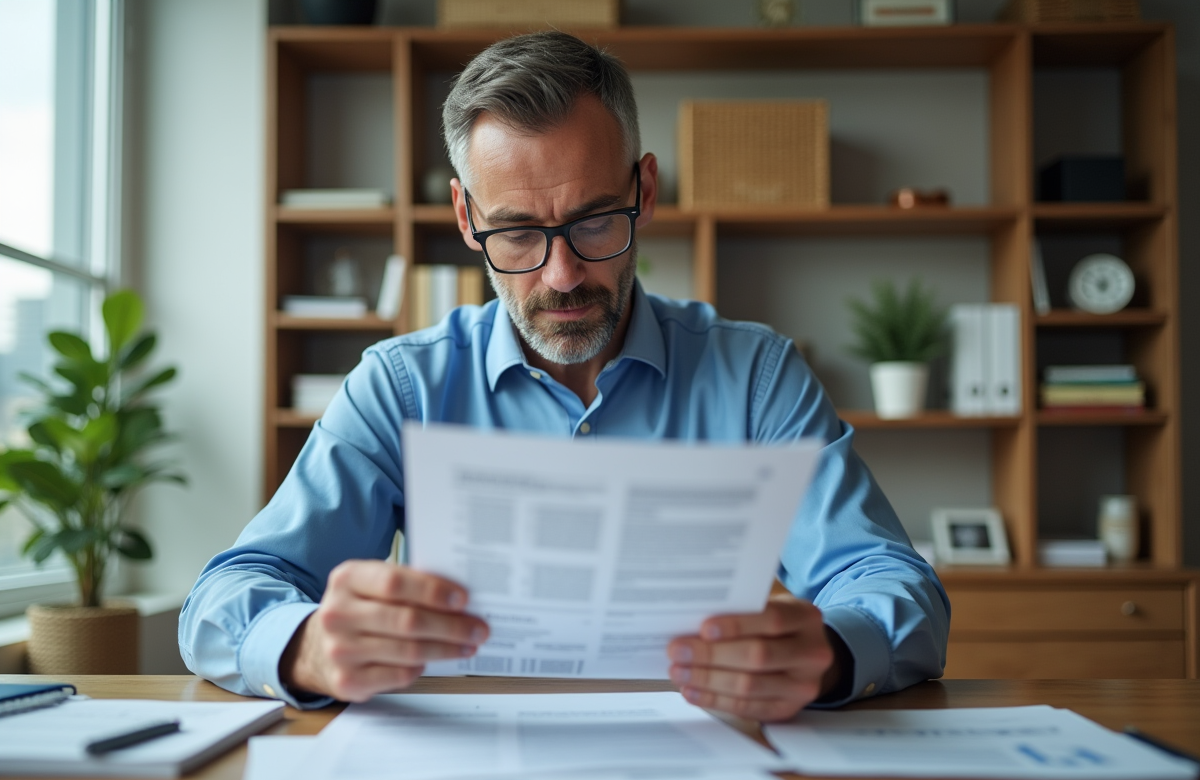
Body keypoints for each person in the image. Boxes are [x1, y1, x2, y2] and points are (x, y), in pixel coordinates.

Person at [180, 30, 949, 722]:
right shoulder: (399, 388)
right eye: (516, 232)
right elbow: (224, 596)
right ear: (464, 217)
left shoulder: (754, 376)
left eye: (594, 221)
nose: (563, 274)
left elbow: (889, 580)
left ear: (644, 191)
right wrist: (307, 646)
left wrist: (834, 652)